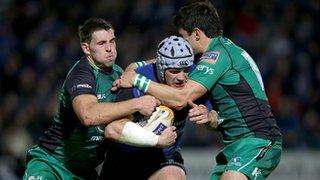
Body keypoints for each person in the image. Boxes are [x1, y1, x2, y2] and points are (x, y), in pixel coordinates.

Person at [113, 1, 283, 180]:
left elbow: (181, 98)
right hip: (235, 145)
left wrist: (138, 79)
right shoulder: (220, 51)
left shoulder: (217, 55)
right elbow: (168, 61)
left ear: (196, 34)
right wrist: (137, 65)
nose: (181, 44)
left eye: (183, 37)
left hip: (258, 139)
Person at [23, 18, 177, 180]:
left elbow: (152, 65)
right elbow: (88, 115)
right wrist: (137, 104)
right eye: (102, 43)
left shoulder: (119, 74)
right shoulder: (82, 74)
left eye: (112, 41)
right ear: (86, 48)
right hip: (52, 164)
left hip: (85, 173)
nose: (109, 48)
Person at [100, 35, 217, 180]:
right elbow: (112, 130)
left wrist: (209, 117)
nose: (181, 77)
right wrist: (157, 140)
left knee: (173, 176)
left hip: (164, 156)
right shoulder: (135, 81)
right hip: (125, 156)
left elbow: (216, 123)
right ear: (161, 68)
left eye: (185, 70)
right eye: (174, 71)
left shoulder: (195, 79)